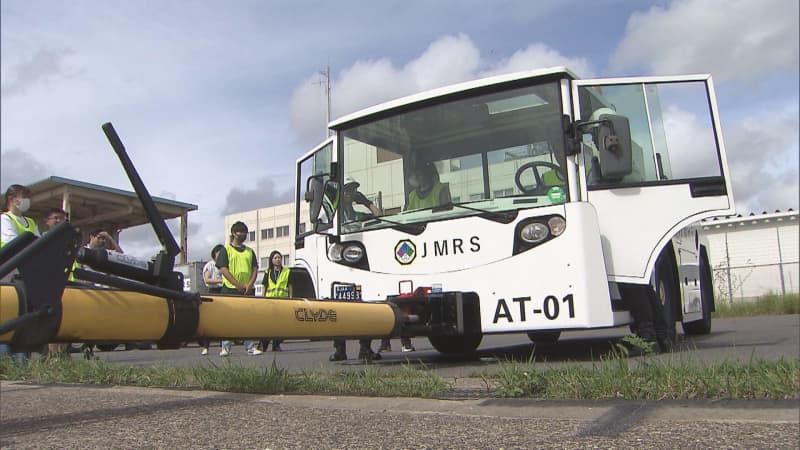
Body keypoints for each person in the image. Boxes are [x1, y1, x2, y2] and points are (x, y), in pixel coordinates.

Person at [0, 184, 39, 362]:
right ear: (11, 199)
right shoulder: (5, 219)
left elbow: (41, 243)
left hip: (27, 274)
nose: (25, 201)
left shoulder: (31, 222)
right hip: (8, 272)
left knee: (24, 316)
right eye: (22, 196)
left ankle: (21, 360)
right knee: (9, 314)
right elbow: (12, 241)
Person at [216, 221, 259, 356]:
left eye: (245, 232)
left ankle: (250, 346)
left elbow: (255, 268)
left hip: (247, 291)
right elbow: (223, 269)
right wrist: (237, 284)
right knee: (228, 320)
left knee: (249, 319)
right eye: (241, 232)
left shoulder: (249, 251)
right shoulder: (226, 250)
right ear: (234, 233)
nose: (243, 235)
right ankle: (226, 347)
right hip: (230, 290)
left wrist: (250, 284)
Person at [260, 250, 291, 352]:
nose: (278, 260)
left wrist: (291, 299)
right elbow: (264, 286)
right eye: (275, 258)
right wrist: (262, 299)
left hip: (283, 301)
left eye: (279, 258)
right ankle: (263, 345)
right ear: (271, 260)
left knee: (280, 325)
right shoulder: (268, 272)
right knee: (268, 325)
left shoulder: (287, 271)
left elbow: (290, 286)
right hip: (270, 301)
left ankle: (276, 345)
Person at [198, 244, 225, 356]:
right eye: (219, 253)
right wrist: (220, 280)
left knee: (223, 321)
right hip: (213, 292)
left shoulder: (225, 265)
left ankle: (224, 347)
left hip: (223, 292)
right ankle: (205, 347)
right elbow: (207, 279)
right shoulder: (209, 265)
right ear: (214, 253)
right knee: (210, 322)